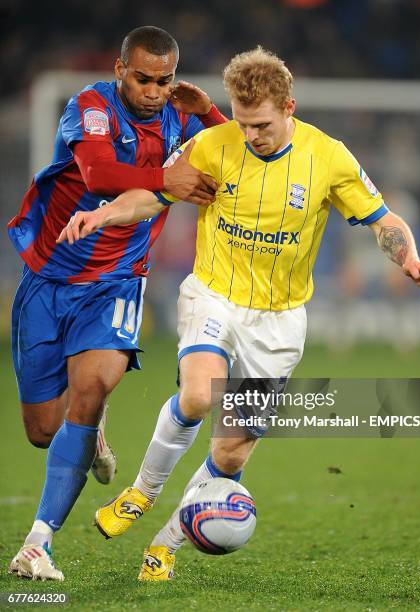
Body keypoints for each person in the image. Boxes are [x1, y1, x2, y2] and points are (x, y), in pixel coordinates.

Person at [56, 47, 420, 582]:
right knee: (197, 394)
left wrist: (410, 257)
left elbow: (382, 219)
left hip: (280, 321)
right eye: (241, 123)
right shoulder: (214, 144)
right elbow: (154, 194)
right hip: (215, 295)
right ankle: (141, 493)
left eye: (260, 124)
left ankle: (167, 544)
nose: (250, 135)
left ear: (289, 106)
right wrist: (102, 214)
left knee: (231, 455)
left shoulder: (328, 157)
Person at [7, 25, 227, 581]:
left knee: (93, 386)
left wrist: (212, 115)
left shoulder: (181, 117)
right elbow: (100, 175)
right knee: (42, 430)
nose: (155, 91)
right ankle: (91, 430)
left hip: (117, 282)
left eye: (166, 80)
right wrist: (169, 178)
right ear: (120, 70)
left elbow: (242, 158)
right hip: (47, 278)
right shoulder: (91, 106)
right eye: (144, 78)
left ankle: (38, 544)